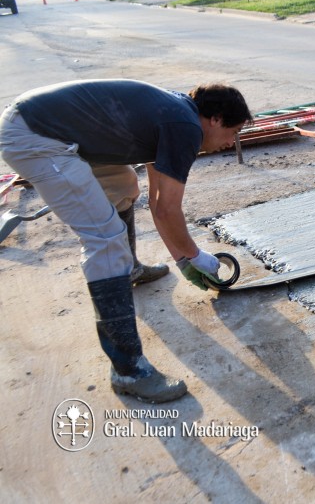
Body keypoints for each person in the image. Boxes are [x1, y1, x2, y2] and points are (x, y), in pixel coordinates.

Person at [0, 79, 253, 403]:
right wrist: (197, 257)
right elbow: (168, 209)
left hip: (42, 122)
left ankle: (129, 269)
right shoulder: (186, 127)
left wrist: (182, 259)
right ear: (215, 119)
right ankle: (128, 371)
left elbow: (158, 205)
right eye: (233, 132)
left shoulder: (174, 113)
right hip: (36, 136)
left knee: (123, 185)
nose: (230, 143)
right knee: (105, 239)